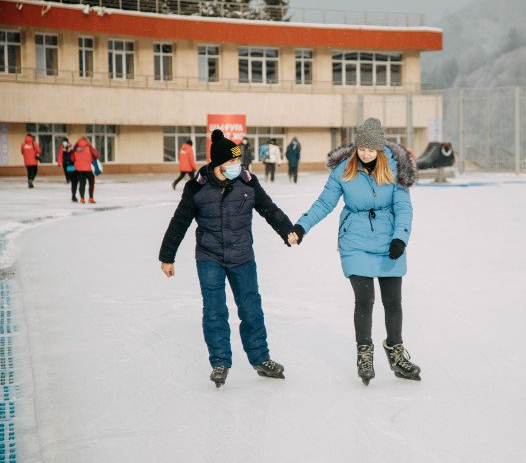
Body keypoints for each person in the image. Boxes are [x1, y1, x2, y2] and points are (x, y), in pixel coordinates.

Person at [287, 118, 421, 386]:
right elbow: (324, 203)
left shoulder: (395, 168)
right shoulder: (343, 169)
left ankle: (395, 352)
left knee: (393, 301)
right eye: (362, 149)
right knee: (365, 299)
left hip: (388, 241)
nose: (366, 154)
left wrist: (400, 238)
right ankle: (364, 354)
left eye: (371, 150)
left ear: (380, 149)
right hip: (355, 241)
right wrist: (302, 226)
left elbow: (403, 207)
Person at [159, 129, 293, 389]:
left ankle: (261, 358)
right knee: (214, 310)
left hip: (242, 255)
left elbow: (269, 209)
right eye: (232, 161)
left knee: (251, 308)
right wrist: (167, 257)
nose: (237, 165)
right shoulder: (197, 187)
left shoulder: (248, 182)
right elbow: (179, 222)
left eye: (238, 160)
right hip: (209, 256)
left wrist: (287, 230)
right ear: (218, 162)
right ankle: (220, 361)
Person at [71, 136, 99, 204]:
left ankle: (82, 199)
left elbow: (72, 158)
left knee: (82, 184)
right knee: (91, 183)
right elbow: (96, 155)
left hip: (79, 169)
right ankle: (91, 198)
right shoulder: (89, 147)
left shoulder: (75, 148)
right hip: (89, 168)